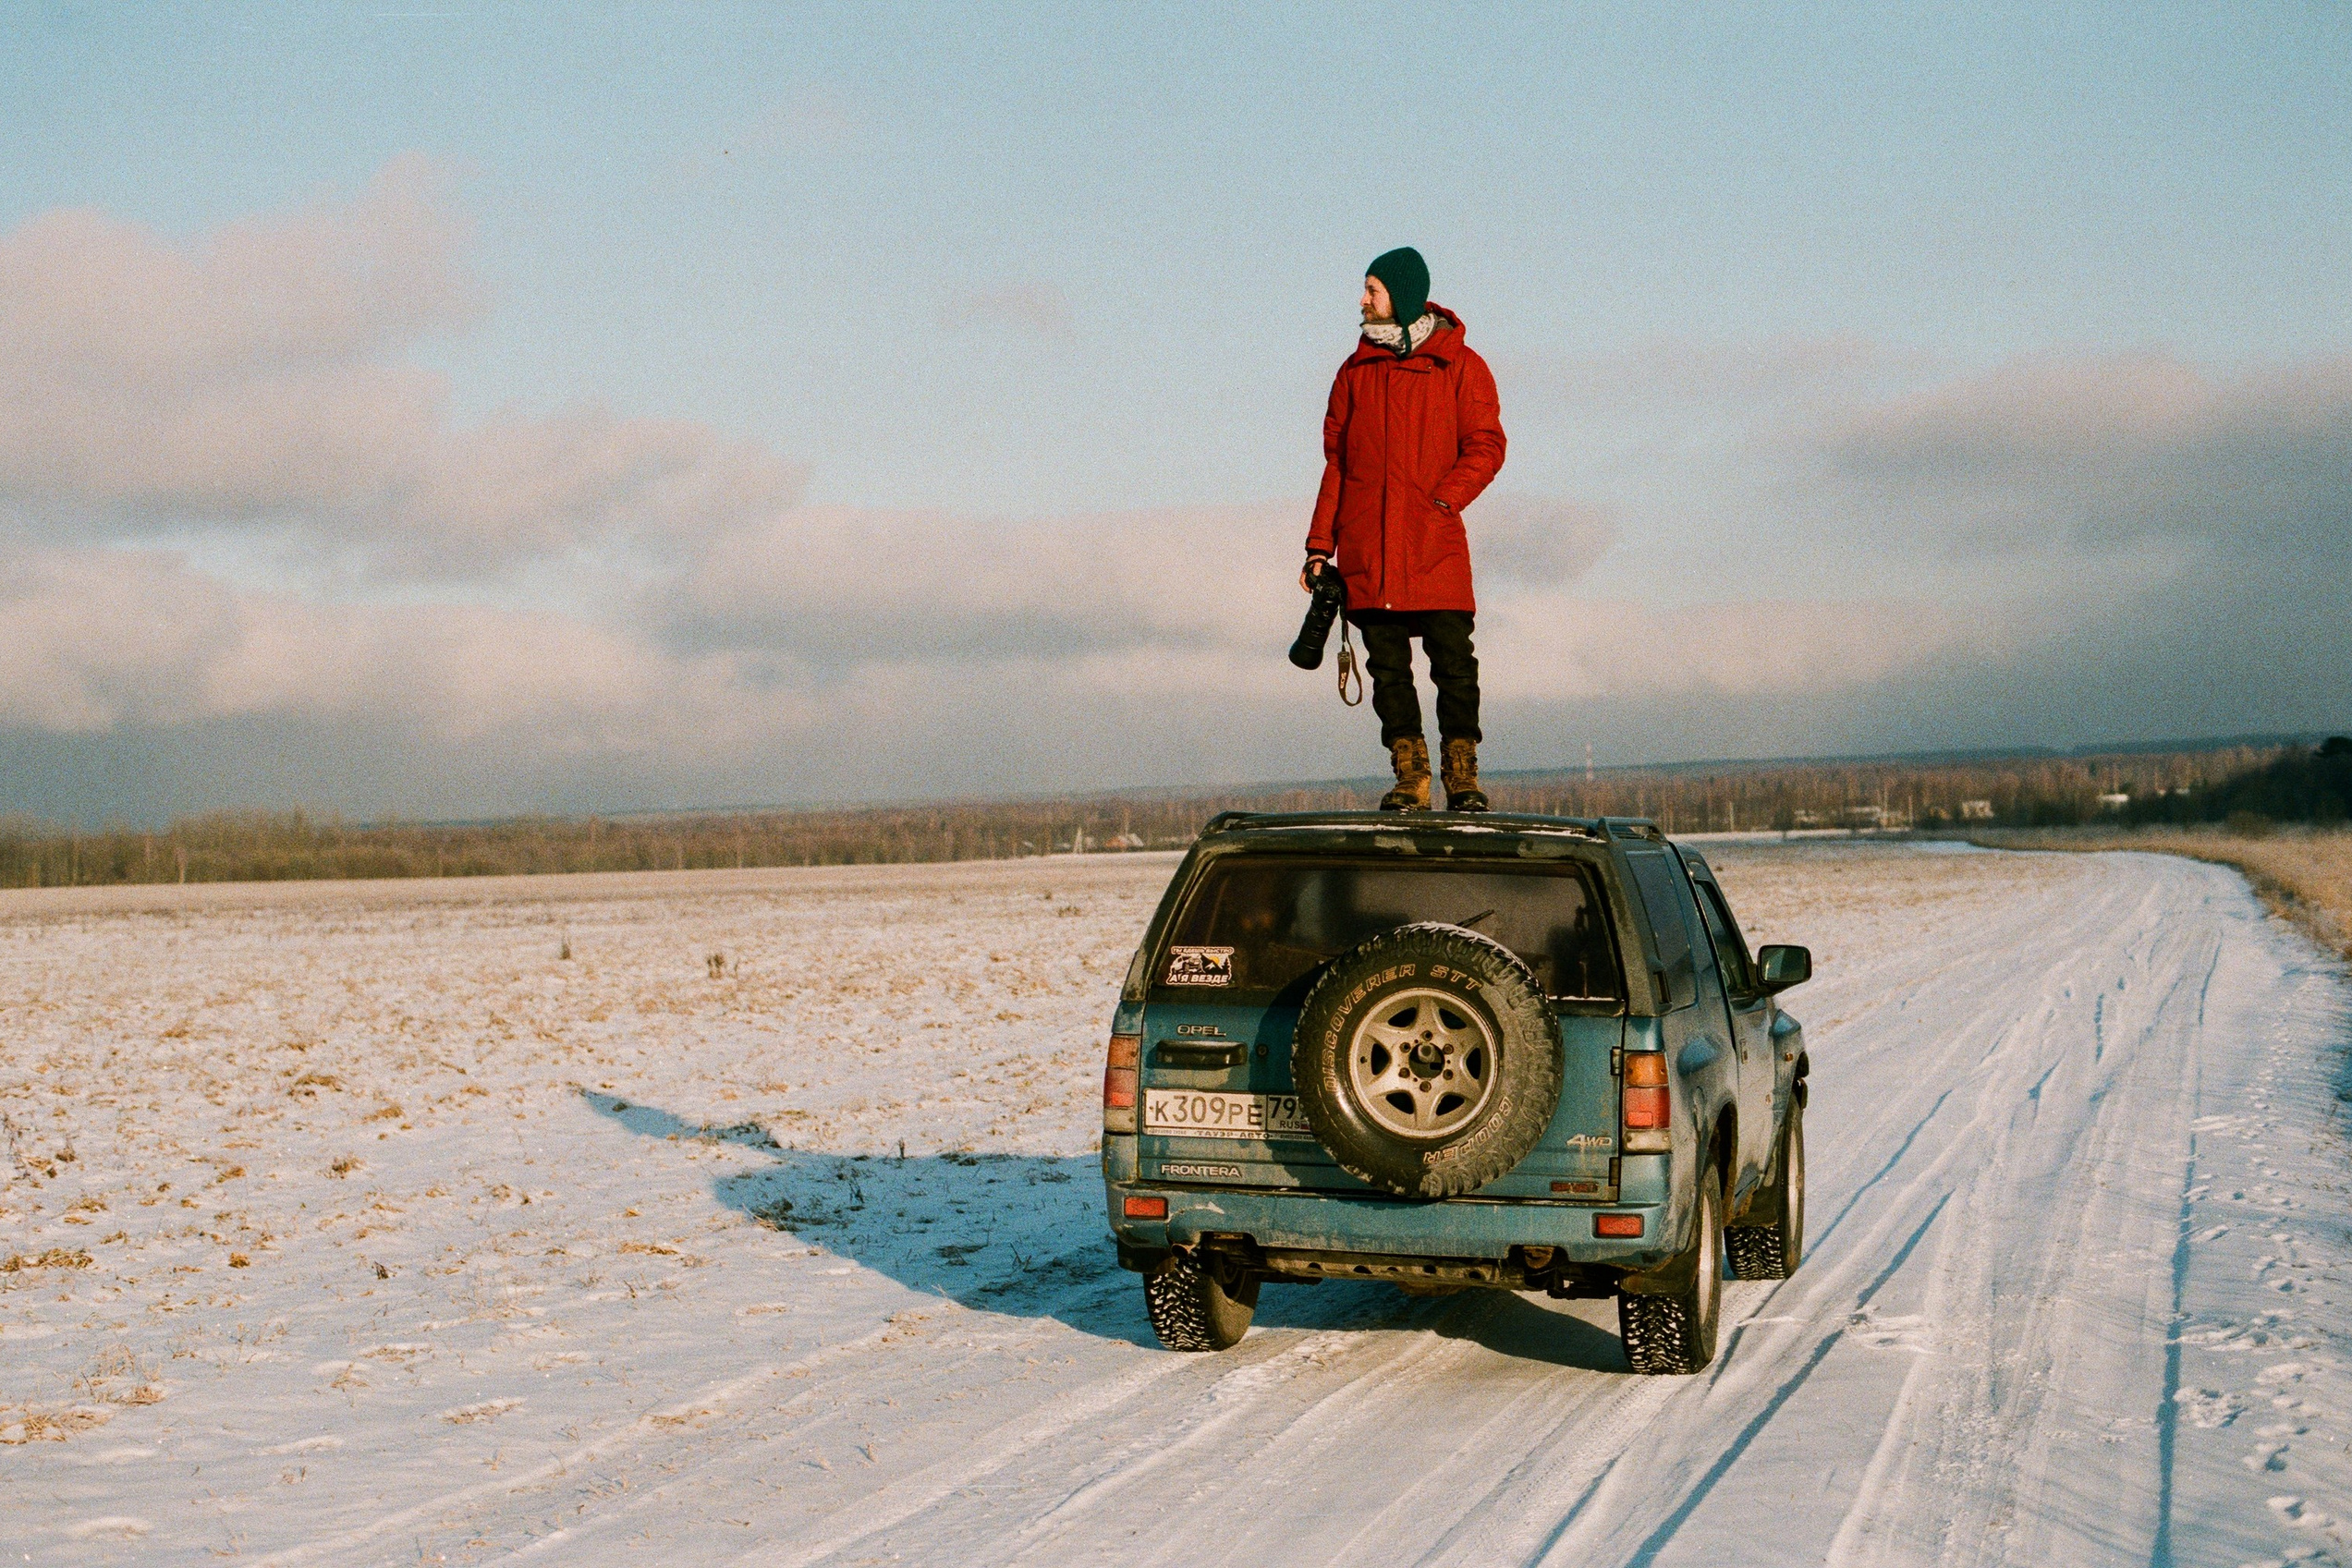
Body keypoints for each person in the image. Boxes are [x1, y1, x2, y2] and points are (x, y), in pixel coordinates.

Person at [1302, 247, 1505, 812]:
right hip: (1367, 548)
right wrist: (1320, 547)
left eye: (1372, 289)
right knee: (1388, 672)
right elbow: (1337, 465)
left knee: (1454, 665)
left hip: (1432, 543)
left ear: (1402, 294)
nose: (1362, 300)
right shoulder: (1353, 373)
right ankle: (1410, 775)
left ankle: (1461, 774)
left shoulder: (1460, 364)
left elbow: (1487, 445)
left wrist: (1443, 501)